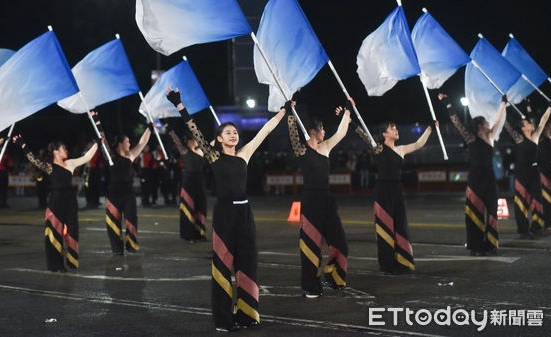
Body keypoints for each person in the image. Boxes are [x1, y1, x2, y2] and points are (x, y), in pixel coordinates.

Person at [167, 87, 285, 332]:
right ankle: (223, 319)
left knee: (248, 262)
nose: (233, 135)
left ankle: (247, 314)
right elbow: (195, 131)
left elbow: (266, 130)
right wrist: (179, 104)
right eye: (227, 133)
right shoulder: (213, 157)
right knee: (222, 264)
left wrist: (285, 109)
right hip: (224, 214)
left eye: (235, 132)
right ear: (219, 139)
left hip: (245, 213)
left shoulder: (244, 154)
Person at [287, 97, 352, 298]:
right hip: (310, 202)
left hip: (327, 201)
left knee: (341, 243)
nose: (324, 132)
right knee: (310, 247)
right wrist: (290, 113)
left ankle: (333, 277)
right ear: (313, 130)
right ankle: (310, 287)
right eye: (322, 129)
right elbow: (292, 135)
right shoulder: (302, 149)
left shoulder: (325, 147)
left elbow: (341, 132)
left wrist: (347, 111)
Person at [356, 116, 433, 273]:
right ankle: (387, 265)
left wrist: (430, 129)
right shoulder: (378, 148)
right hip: (383, 191)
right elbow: (363, 134)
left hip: (397, 190)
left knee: (401, 226)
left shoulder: (401, 149)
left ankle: (404, 261)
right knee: (385, 227)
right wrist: (351, 121)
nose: (396, 130)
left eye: (396, 127)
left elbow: (419, 144)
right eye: (392, 128)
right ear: (384, 134)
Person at [13, 134, 98, 272]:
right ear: (55, 151)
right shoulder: (50, 167)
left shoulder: (70, 164)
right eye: (63, 148)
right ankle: (56, 264)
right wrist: (23, 144)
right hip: (56, 200)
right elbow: (33, 159)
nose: (66, 150)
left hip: (70, 199)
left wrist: (98, 142)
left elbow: (87, 157)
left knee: (73, 230)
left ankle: (71, 260)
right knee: (55, 232)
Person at [439, 94, 506, 255]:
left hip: (490, 179)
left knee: (492, 210)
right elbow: (457, 122)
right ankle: (476, 246)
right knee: (474, 213)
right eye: (485, 122)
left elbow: (498, 120)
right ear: (479, 126)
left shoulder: (490, 138)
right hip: (476, 179)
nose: (489, 124)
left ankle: (490, 244)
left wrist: (503, 103)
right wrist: (448, 103)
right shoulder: (470, 138)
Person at [101, 120, 151, 255]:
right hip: (113, 195)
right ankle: (117, 249)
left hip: (129, 194)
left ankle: (131, 245)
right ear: (121, 143)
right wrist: (97, 122)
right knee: (113, 222)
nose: (129, 143)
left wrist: (149, 128)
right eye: (127, 141)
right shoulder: (111, 156)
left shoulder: (131, 156)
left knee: (131, 219)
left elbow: (142, 142)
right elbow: (103, 142)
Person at [503, 106, 551, 238]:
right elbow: (507, 125)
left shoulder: (535, 137)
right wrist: (503, 108)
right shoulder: (519, 138)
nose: (530, 124)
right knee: (522, 202)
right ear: (523, 128)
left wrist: (549, 109)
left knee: (537, 200)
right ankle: (523, 231)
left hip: (534, 172)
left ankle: (536, 227)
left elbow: (543, 121)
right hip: (522, 173)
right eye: (527, 123)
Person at [168, 129, 208, 242]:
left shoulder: (201, 151)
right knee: (189, 206)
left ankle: (200, 232)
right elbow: (177, 142)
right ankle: (189, 234)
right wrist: (171, 131)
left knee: (201, 206)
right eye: (195, 140)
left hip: (199, 181)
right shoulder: (184, 151)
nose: (197, 142)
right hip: (188, 182)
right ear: (190, 141)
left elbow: (206, 143)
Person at [539, 122, 551, 228]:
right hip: (546, 174)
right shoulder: (543, 142)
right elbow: (543, 160)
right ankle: (547, 222)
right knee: (547, 199)